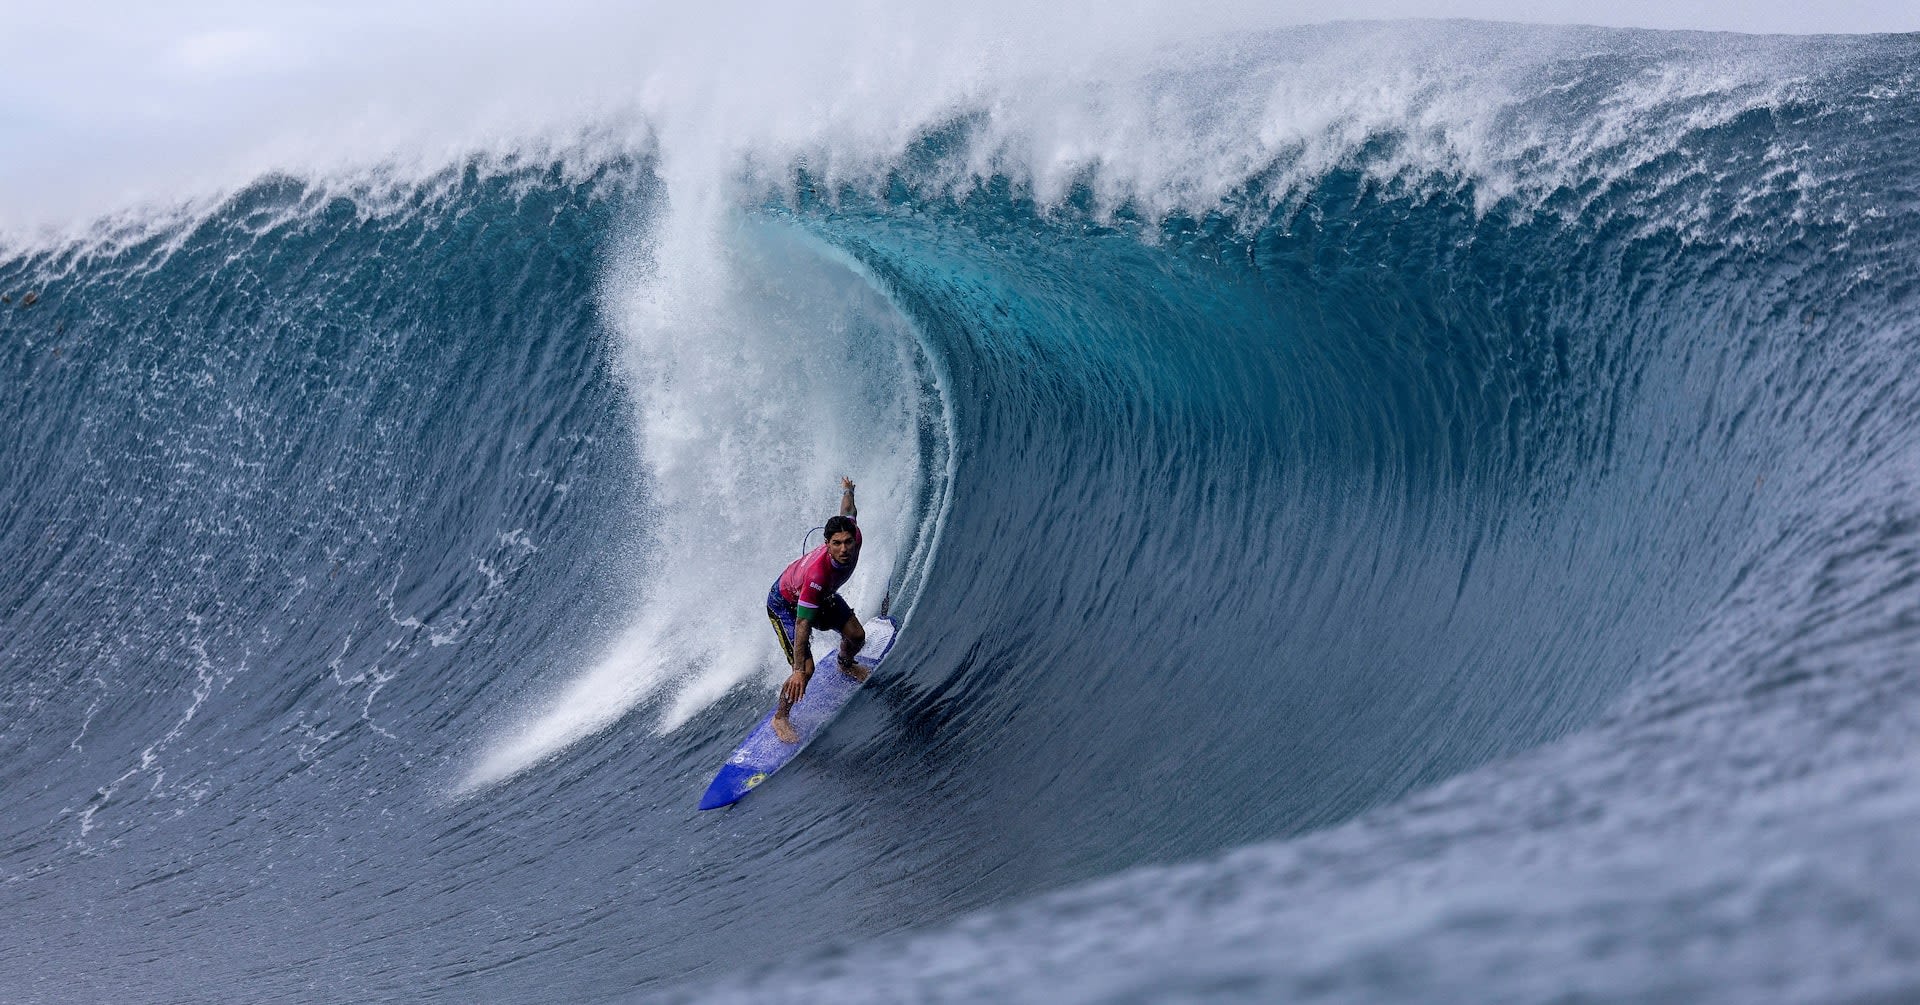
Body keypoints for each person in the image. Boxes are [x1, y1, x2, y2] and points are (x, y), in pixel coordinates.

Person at [766, 476, 867, 743]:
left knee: (856, 636)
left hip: (822, 598)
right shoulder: (817, 576)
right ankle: (780, 717)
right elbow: (802, 625)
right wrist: (798, 669)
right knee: (805, 671)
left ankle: (845, 664)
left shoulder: (853, 533)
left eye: (847, 541)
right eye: (837, 543)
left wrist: (848, 490)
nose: (844, 548)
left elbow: (848, 511)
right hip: (786, 605)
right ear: (827, 544)